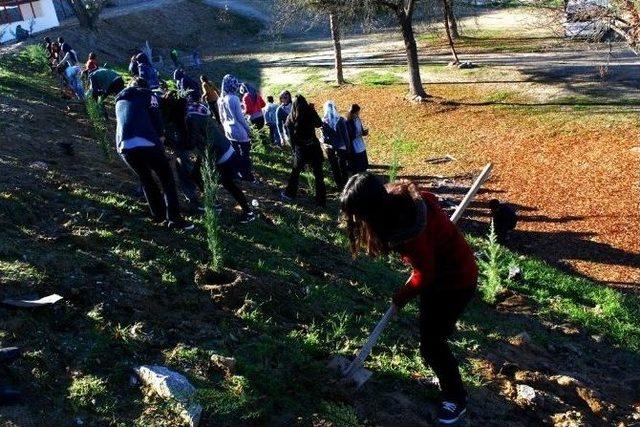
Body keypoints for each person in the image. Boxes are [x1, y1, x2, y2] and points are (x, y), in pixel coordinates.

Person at [340, 174, 477, 425]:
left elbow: (425, 274)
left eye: (359, 214)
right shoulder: (398, 199)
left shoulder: (410, 231)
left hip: (455, 281)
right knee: (431, 336)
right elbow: (431, 201)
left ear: (373, 209)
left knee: (432, 343)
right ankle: (445, 375)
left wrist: (401, 296)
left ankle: (456, 398)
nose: (357, 221)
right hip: (439, 275)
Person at [115, 77, 193, 230]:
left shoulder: (119, 100)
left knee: (146, 179)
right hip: (147, 142)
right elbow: (157, 122)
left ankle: (158, 215)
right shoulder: (148, 95)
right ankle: (174, 219)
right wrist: (162, 142)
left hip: (124, 146)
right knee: (167, 179)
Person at [185, 101, 256, 224]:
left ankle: (247, 212)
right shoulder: (195, 110)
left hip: (219, 152)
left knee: (227, 183)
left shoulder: (191, 117)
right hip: (219, 149)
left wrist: (174, 141)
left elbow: (191, 142)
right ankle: (217, 204)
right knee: (197, 175)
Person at [280, 95, 326, 207]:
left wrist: (294, 151)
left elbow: (291, 138)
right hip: (313, 147)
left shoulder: (291, 118)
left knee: (295, 173)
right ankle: (321, 200)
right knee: (318, 173)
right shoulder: (309, 113)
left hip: (301, 148)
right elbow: (319, 124)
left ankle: (290, 194)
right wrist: (313, 110)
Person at [218, 74, 255, 183]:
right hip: (239, 131)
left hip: (228, 131)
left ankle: (238, 172)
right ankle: (247, 176)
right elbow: (240, 118)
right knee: (245, 154)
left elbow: (221, 118)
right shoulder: (233, 98)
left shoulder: (220, 99)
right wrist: (249, 130)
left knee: (235, 153)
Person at [322, 101, 350, 190]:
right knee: (342, 165)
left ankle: (339, 184)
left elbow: (324, 137)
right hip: (341, 146)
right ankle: (345, 184)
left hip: (329, 147)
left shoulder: (323, 121)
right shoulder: (340, 120)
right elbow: (345, 135)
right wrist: (348, 146)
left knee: (334, 166)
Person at [346, 104, 369, 174]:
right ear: (354, 112)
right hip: (354, 144)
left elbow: (360, 130)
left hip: (360, 142)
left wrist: (364, 132)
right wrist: (357, 135)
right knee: (357, 162)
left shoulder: (358, 119)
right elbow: (349, 135)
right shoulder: (349, 121)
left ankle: (363, 172)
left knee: (363, 161)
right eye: (358, 112)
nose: (359, 113)